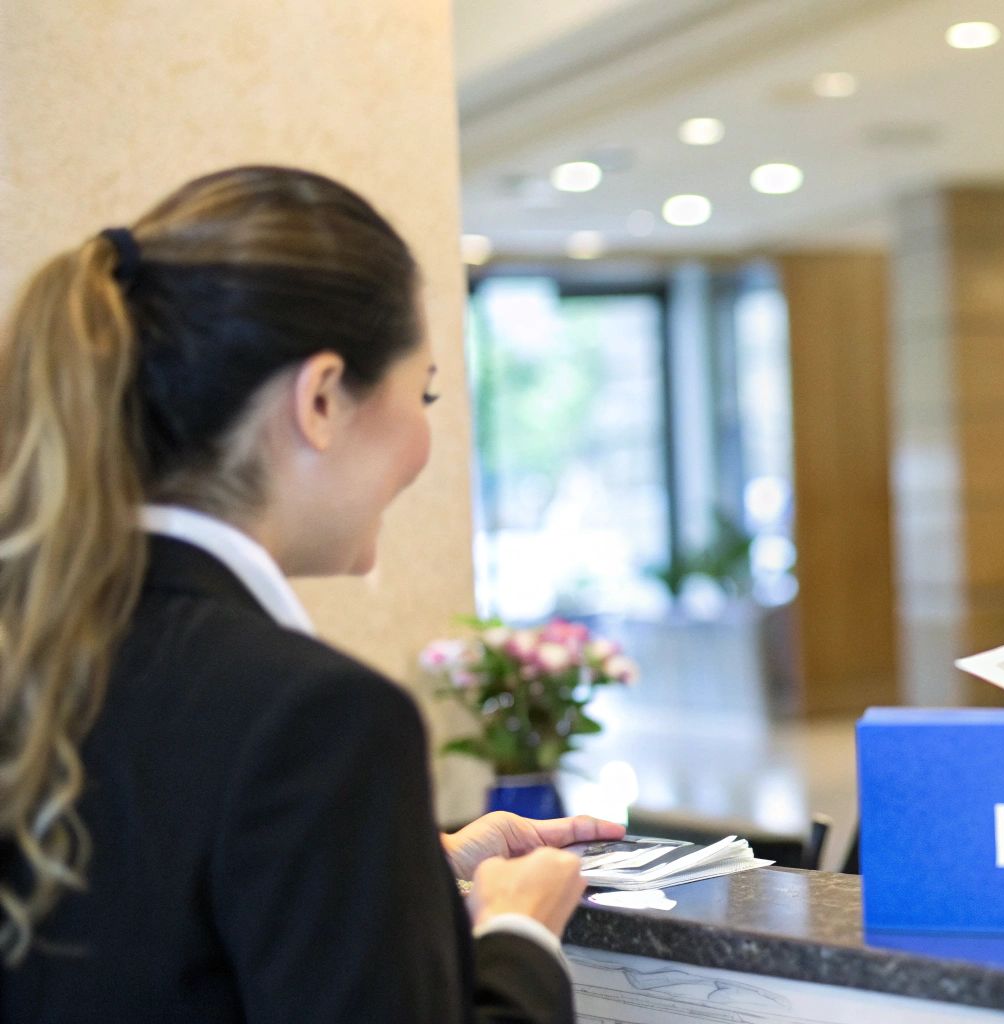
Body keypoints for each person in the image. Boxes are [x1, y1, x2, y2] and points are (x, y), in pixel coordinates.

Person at [0, 166, 621, 1022]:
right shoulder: (318, 718)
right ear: (323, 397)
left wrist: (400, 870)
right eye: (426, 392)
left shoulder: (39, 644)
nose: (425, 441)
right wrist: (518, 937)